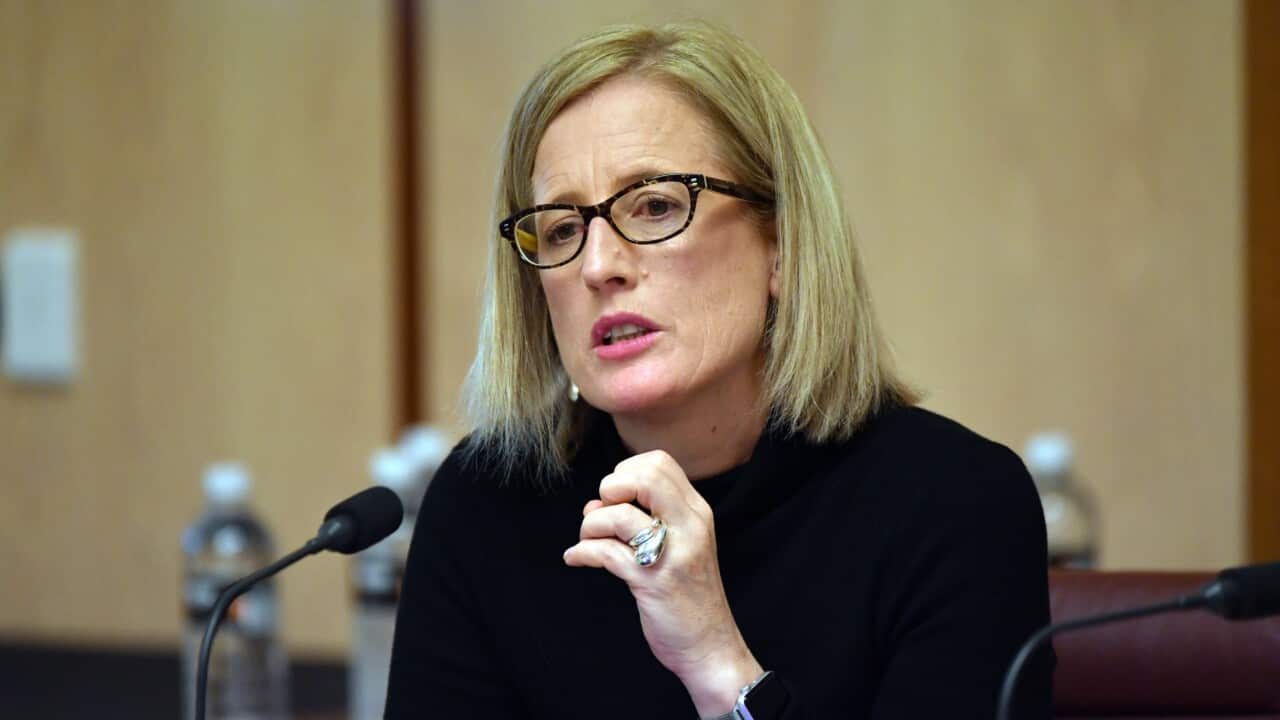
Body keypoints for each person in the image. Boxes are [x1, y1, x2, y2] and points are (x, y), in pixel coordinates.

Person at [386, 21, 1054, 720]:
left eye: (655, 205)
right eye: (560, 228)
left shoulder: (954, 506)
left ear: (782, 246)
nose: (597, 265)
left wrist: (715, 663)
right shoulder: (486, 505)